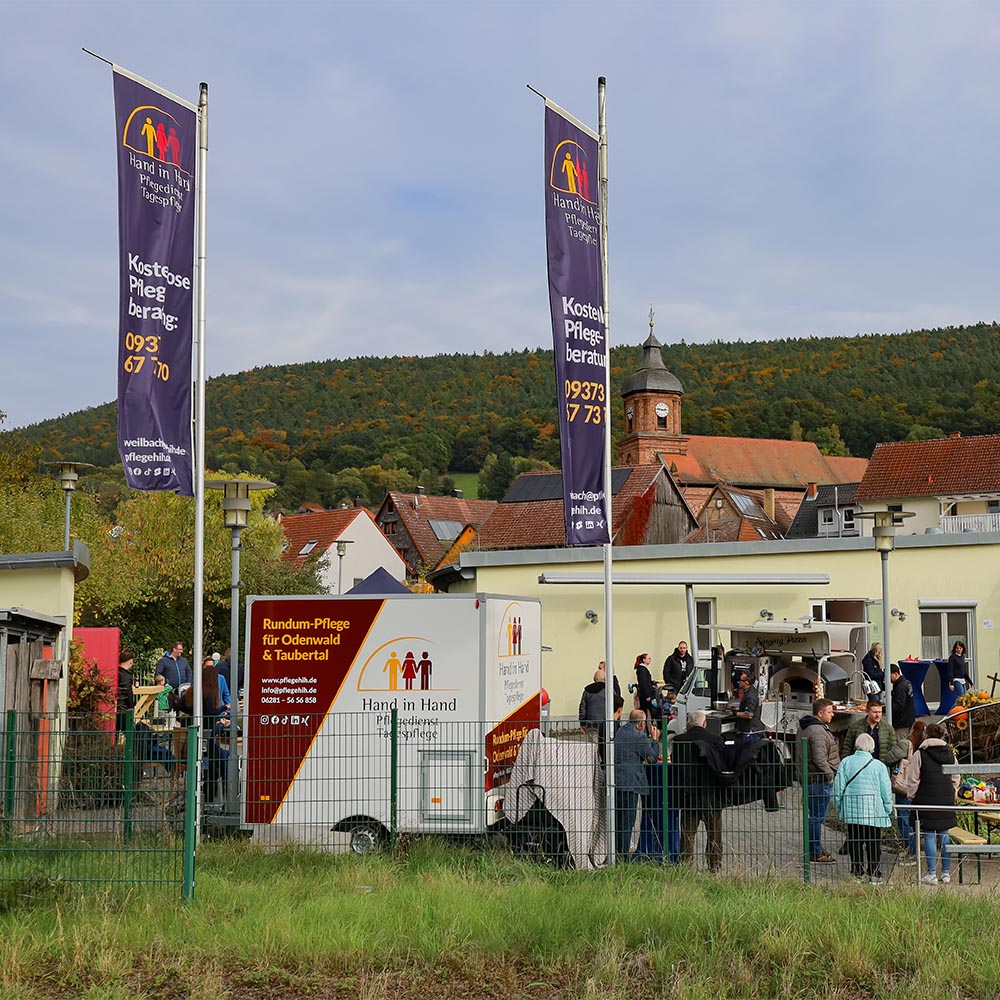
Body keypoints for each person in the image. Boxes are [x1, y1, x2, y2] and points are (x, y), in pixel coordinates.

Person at [832, 732, 894, 883]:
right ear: (872, 748)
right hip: (873, 811)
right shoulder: (879, 766)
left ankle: (857, 871)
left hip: (853, 810)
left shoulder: (846, 762)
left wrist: (839, 806)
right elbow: (886, 789)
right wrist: (887, 807)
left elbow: (838, 787)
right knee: (873, 842)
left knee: (855, 841)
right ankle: (873, 871)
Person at [904, 722, 960, 884]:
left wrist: (912, 796)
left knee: (928, 835)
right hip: (946, 799)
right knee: (944, 834)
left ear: (926, 735)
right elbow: (956, 776)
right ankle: (947, 873)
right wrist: (952, 791)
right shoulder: (950, 753)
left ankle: (931, 874)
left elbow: (913, 779)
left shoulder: (920, 754)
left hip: (926, 800)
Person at [671, 709, 724, 872]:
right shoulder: (716, 740)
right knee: (714, 834)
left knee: (687, 835)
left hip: (689, 797)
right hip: (711, 796)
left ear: (689, 723)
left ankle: (685, 867)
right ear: (705, 723)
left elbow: (675, 764)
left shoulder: (679, 740)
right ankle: (714, 867)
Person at [612, 709, 660, 860]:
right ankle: (623, 856)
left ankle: (616, 853)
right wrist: (654, 739)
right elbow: (652, 757)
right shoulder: (638, 736)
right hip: (630, 783)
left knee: (617, 821)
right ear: (641, 723)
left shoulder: (620, 731)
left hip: (617, 781)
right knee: (627, 822)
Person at [799, 698, 841, 863]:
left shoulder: (807, 727)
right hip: (818, 780)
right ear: (820, 713)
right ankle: (814, 852)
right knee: (817, 817)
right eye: (830, 712)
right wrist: (829, 775)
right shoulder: (816, 731)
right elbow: (819, 758)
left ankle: (814, 848)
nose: (833, 715)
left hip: (811, 778)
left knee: (814, 816)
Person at [891, 720, 926, 866]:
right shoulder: (924, 747)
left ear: (912, 730)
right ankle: (913, 849)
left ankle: (910, 851)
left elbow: (889, 757)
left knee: (904, 818)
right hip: (919, 787)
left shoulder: (907, 744)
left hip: (905, 787)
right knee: (914, 819)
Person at [843, 699, 907, 770]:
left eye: (880, 712)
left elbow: (892, 750)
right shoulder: (855, 727)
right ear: (867, 711)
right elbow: (847, 748)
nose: (878, 715)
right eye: (874, 712)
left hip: (879, 768)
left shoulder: (888, 729)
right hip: (859, 767)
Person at [579, 668, 612, 734]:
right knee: (606, 743)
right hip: (606, 723)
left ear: (594, 679)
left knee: (593, 743)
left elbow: (582, 708)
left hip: (591, 724)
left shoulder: (587, 691)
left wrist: (582, 723)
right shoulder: (609, 691)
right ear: (605, 679)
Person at [735, 671, 764, 740]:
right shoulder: (752, 691)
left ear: (746, 682)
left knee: (747, 750)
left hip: (751, 732)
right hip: (754, 730)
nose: (739, 682)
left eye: (740, 680)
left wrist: (734, 713)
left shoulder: (750, 696)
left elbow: (749, 715)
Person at [115, 649, 136, 740]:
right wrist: (131, 706)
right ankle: (133, 752)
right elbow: (128, 692)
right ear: (130, 661)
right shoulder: (126, 676)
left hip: (116, 707)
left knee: (115, 733)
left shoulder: (117, 672)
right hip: (123, 708)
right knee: (131, 734)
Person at [632, 652, 658, 724]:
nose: (650, 660)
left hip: (646, 694)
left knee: (647, 712)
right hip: (646, 695)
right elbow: (643, 683)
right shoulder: (642, 669)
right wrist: (647, 695)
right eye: (649, 658)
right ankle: (647, 729)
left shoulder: (642, 669)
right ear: (644, 660)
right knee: (647, 713)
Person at [890, 664, 916, 734]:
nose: (887, 678)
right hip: (909, 718)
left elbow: (899, 705)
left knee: (901, 742)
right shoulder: (907, 683)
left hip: (902, 722)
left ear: (895, 674)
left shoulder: (900, 687)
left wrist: (885, 708)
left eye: (889, 675)